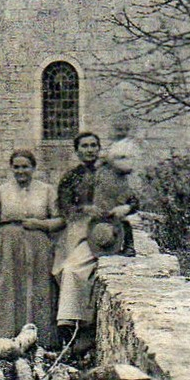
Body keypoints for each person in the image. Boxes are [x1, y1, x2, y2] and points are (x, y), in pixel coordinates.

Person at [51, 132, 136, 355]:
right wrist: (84, 209)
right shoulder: (71, 177)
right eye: (84, 146)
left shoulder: (111, 172)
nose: (89, 150)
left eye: (93, 146)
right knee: (64, 270)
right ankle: (75, 328)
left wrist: (124, 208)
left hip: (107, 232)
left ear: (99, 148)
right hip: (79, 228)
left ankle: (80, 328)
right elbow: (63, 205)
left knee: (78, 271)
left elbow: (133, 199)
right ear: (77, 151)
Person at [0, 149, 61, 342]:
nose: (21, 171)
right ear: (11, 169)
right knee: (7, 287)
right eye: (16, 167)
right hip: (7, 245)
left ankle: (39, 337)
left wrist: (40, 224)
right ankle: (5, 337)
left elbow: (60, 219)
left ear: (33, 168)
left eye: (25, 167)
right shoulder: (1, 191)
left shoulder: (47, 190)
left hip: (38, 247)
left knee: (39, 287)